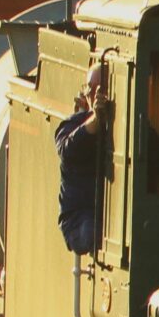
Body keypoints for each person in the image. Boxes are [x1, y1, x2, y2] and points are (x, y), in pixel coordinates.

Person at [57, 62, 107, 253]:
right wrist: (95, 121)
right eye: (89, 89)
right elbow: (67, 150)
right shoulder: (72, 124)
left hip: (111, 216)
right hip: (79, 218)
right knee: (91, 231)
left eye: (99, 89)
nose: (93, 95)